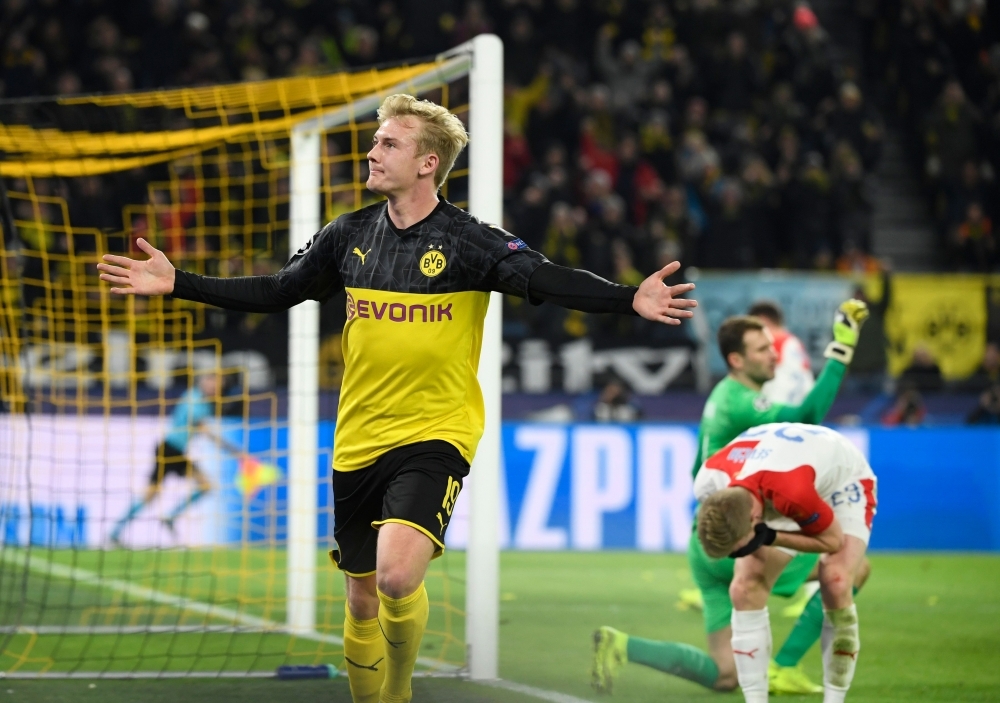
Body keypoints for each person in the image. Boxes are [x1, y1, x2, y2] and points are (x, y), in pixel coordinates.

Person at [97, 93, 697, 703]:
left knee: (396, 575)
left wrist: (628, 298)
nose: (372, 151)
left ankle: (399, 693)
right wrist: (180, 284)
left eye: (389, 143)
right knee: (360, 600)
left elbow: (546, 278)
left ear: (428, 162)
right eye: (375, 140)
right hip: (358, 436)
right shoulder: (348, 235)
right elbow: (279, 291)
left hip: (436, 432)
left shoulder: (468, 241)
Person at [591, 303, 869, 696]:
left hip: (706, 541)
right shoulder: (743, 399)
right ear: (736, 360)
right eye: (761, 349)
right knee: (854, 570)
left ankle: (621, 645)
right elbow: (807, 414)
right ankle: (784, 666)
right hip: (738, 537)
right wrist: (839, 353)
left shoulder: (724, 395)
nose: (773, 354)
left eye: (771, 346)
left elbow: (702, 474)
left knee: (726, 674)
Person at [694, 422, 877, 703]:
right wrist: (751, 542)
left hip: (840, 477)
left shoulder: (792, 493)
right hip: (776, 477)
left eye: (737, 549)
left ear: (756, 519)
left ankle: (834, 700)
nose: (737, 556)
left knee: (837, 581)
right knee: (744, 588)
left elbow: (832, 541)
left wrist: (771, 537)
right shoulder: (708, 481)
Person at [108, 371, 224, 545]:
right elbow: (203, 430)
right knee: (151, 495)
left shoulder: (204, 403)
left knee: (203, 485)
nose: (216, 387)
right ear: (204, 382)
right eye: (213, 383)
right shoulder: (194, 398)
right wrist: (235, 451)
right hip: (168, 449)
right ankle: (117, 532)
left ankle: (167, 518)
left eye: (219, 385)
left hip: (177, 451)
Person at [748, 300, 814, 406]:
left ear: (763, 321)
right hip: (803, 409)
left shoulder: (773, 341)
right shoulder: (794, 341)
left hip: (783, 411)